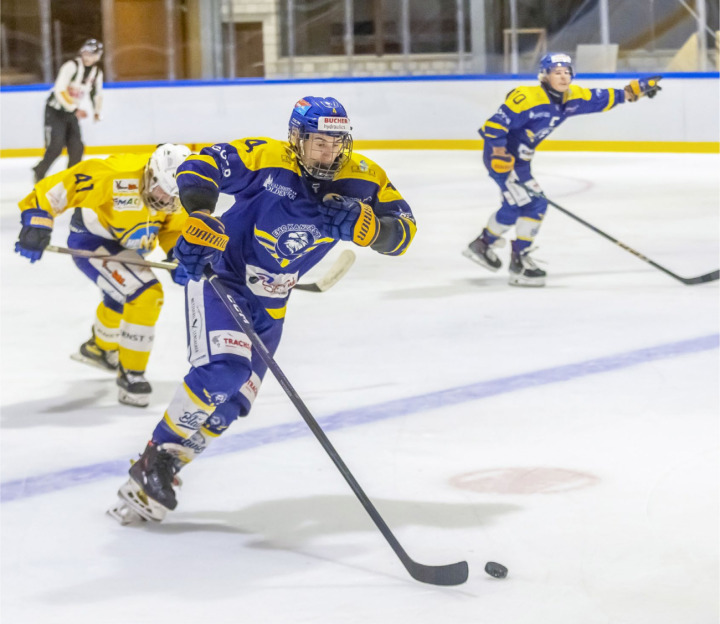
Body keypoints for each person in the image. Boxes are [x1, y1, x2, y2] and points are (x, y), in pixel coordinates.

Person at [108, 96, 417, 524]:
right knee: (223, 372)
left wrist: (375, 230)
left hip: (274, 299)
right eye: (319, 143)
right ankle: (151, 459)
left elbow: (405, 231)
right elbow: (200, 166)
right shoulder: (268, 158)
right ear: (297, 138)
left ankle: (169, 466)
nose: (329, 154)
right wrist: (200, 215)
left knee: (234, 402)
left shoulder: (364, 178)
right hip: (223, 276)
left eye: (337, 144)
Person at [15, 143, 192, 407]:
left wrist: (178, 253)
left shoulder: (178, 187)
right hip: (91, 242)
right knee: (146, 295)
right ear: (151, 174)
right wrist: (38, 220)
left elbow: (172, 227)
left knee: (119, 299)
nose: (167, 201)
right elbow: (62, 186)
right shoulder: (115, 174)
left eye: (174, 198)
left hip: (130, 247)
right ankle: (131, 374)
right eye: (163, 192)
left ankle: (99, 347)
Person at [464, 52, 662, 287]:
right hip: (504, 160)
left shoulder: (572, 97)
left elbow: (599, 98)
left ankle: (484, 244)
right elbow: (493, 126)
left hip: (521, 162)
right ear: (545, 75)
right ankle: (519, 261)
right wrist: (499, 153)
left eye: (567, 71)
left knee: (516, 205)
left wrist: (632, 91)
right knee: (534, 204)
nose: (563, 76)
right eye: (557, 72)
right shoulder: (526, 98)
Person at [32, 38, 105, 183]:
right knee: (56, 146)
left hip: (72, 113)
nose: (87, 56)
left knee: (77, 147)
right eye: (85, 52)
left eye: (91, 54)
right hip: (55, 111)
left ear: (97, 56)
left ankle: (71, 179)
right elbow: (60, 90)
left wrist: (97, 111)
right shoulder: (71, 66)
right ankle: (40, 171)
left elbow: (97, 94)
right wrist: (74, 109)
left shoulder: (96, 73)